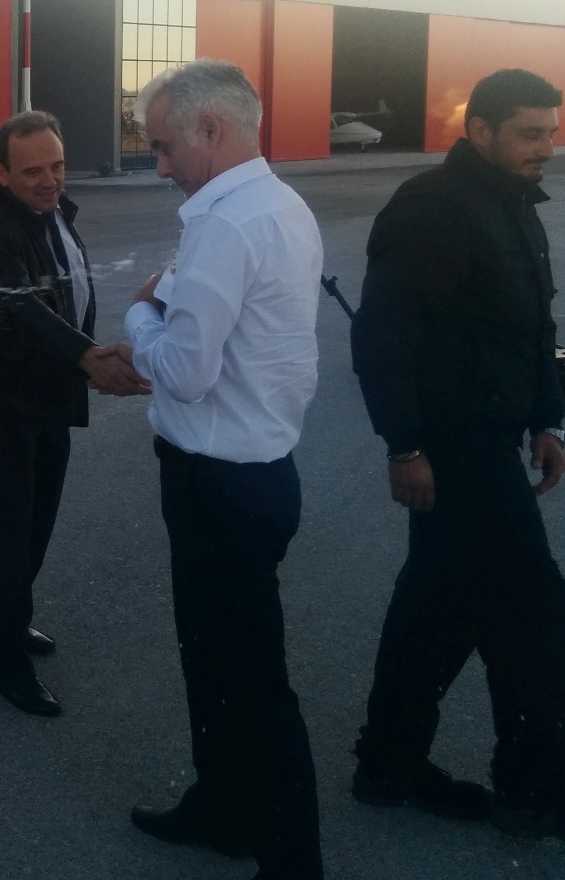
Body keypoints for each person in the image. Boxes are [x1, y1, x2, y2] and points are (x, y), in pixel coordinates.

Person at [122, 60, 324, 880]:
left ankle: (292, 860)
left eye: (165, 146)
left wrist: (140, 314)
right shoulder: (278, 203)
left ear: (211, 129)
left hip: (219, 485)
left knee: (249, 680)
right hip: (260, 471)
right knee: (214, 663)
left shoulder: (224, 224)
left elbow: (184, 370)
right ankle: (223, 809)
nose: (159, 166)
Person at [350, 67, 565, 837]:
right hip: (454, 448)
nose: (548, 146)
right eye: (531, 133)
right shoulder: (434, 211)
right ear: (480, 131)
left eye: (552, 131)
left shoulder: (514, 203)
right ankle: (534, 792)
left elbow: (533, 326)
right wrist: (403, 445)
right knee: (533, 611)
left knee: (439, 606)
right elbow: (383, 335)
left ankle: (388, 765)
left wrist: (548, 420)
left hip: (495, 436)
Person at [0, 111, 150, 717]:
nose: (50, 180)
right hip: (1, 393)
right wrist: (86, 356)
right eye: (33, 170)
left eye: (57, 166)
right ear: (1, 172)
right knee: (14, 524)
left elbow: (65, 291)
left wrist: (79, 358)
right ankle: (5, 661)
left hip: (49, 381)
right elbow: (19, 306)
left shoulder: (54, 210)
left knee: (37, 515)